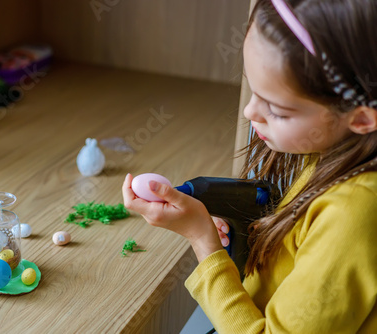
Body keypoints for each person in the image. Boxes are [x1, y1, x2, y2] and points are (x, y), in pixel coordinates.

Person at [122, 0, 377, 332]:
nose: (250, 112)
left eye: (277, 109)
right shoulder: (334, 153)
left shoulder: (354, 214)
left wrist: (203, 240)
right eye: (253, 89)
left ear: (360, 118)